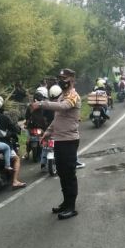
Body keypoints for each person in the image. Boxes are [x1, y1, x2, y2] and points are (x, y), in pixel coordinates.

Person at [31, 68, 81, 220]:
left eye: (64, 78)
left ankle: (71, 206)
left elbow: (63, 107)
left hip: (69, 140)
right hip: (59, 139)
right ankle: (65, 203)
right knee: (62, 173)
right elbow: (57, 118)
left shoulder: (73, 96)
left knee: (69, 174)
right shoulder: (62, 96)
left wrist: (41, 104)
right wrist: (47, 132)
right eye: (60, 78)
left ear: (72, 80)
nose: (61, 81)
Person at [0, 96, 26, 187]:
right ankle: (15, 181)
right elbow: (13, 129)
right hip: (0, 143)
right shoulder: (3, 118)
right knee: (16, 159)